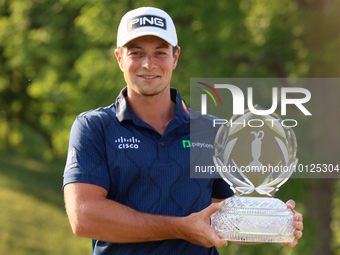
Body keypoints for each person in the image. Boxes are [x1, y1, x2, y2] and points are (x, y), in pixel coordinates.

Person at [63, 6, 303, 255]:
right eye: (136, 53)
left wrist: (278, 224)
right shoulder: (94, 127)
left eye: (160, 53)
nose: (148, 64)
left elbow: (226, 219)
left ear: (175, 57)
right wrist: (179, 228)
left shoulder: (209, 130)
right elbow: (84, 217)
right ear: (119, 58)